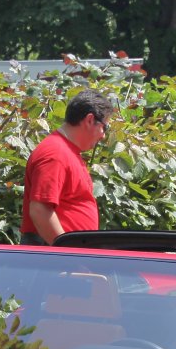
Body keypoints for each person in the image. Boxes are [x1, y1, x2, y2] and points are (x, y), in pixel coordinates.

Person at [20, 89, 117, 244]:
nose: (103, 135)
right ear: (89, 120)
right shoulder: (55, 154)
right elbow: (40, 211)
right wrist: (66, 252)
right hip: (51, 253)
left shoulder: (66, 151)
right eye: (105, 127)